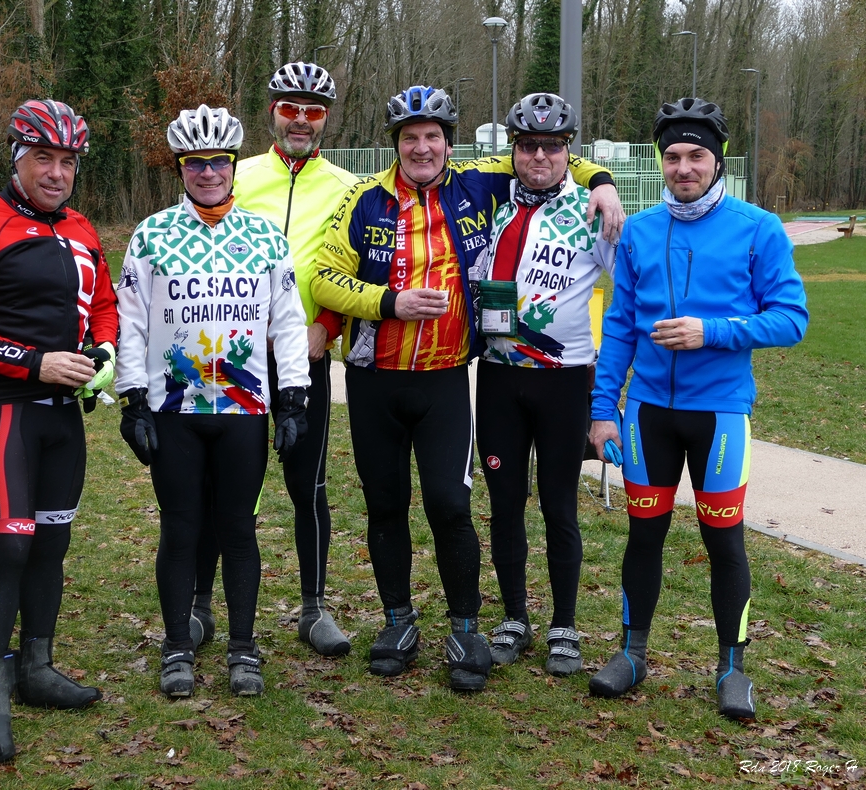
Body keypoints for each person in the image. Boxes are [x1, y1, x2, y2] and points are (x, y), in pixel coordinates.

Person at [310, 85, 624, 692]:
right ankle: (398, 622)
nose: (421, 148)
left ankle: (466, 628)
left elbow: (548, 154)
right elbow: (324, 277)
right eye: (409, 138)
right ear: (395, 144)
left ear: (449, 144)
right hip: (374, 379)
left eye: (432, 137)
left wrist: (604, 181)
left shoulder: (479, 184)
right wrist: (389, 302)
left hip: (447, 379)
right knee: (385, 506)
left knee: (451, 505)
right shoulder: (363, 198)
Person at [587, 97, 808, 719]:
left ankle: (732, 668)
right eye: (673, 157)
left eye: (696, 156)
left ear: (718, 160)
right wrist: (604, 409)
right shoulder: (640, 231)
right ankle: (632, 654)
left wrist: (711, 332)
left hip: (720, 414)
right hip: (648, 415)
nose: (683, 167)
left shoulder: (758, 228)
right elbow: (621, 326)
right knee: (644, 536)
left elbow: (791, 319)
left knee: (724, 541)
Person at [0, 99, 117, 763]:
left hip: (63, 413)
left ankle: (37, 668)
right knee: (10, 547)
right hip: (0, 405)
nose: (57, 172)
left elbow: (104, 305)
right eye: (43, 158)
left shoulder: (83, 228)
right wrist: (35, 363)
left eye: (67, 161)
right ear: (17, 159)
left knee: (51, 545)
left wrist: (103, 351)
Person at [114, 105, 309, 699]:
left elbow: (288, 322)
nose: (207, 173)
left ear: (232, 165)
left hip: (243, 410)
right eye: (195, 163)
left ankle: (243, 648)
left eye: (218, 162)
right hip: (175, 410)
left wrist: (294, 396)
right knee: (180, 530)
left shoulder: (264, 236)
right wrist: (131, 398)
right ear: (180, 168)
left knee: (238, 530)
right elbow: (132, 322)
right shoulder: (151, 234)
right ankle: (177, 645)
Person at [190, 62, 358, 657]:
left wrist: (327, 326)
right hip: (229, 359)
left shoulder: (347, 187)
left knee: (308, 484)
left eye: (314, 111)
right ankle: (199, 605)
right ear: (272, 113)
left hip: (303, 357)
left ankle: (314, 608)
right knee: (219, 485)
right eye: (291, 108)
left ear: (326, 119)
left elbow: (358, 266)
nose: (301, 120)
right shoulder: (237, 174)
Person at [472, 93, 615, 675]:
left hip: (564, 381)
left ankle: (564, 625)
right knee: (505, 504)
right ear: (513, 150)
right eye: (528, 145)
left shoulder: (591, 209)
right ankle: (513, 617)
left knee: (559, 506)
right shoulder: (489, 202)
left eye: (552, 146)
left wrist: (603, 183)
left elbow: (630, 292)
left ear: (568, 151)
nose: (539, 156)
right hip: (499, 378)